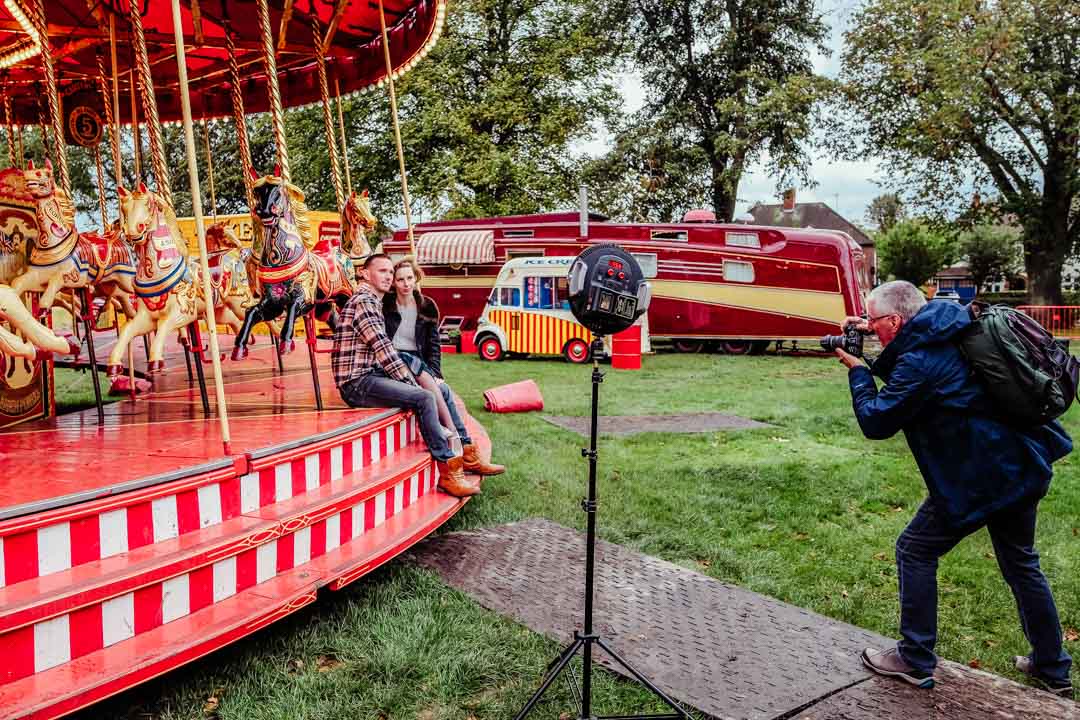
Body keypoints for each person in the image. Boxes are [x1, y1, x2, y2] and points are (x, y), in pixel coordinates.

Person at [835, 280, 1072, 697]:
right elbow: (915, 371)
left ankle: (914, 658)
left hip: (979, 478)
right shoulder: (949, 326)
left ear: (895, 319)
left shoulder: (920, 360)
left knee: (915, 548)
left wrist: (858, 372)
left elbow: (877, 421)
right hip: (1019, 465)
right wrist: (874, 339)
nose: (871, 328)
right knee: (1021, 564)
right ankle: (1052, 670)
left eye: (875, 321)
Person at [331, 253, 481, 497]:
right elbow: (384, 350)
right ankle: (448, 470)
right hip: (357, 382)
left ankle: (467, 449)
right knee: (424, 397)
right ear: (365, 274)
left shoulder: (375, 301)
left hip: (371, 373)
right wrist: (414, 385)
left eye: (390, 272)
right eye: (383, 271)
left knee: (439, 390)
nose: (388, 276)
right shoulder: (365, 302)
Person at [383, 257, 504, 477]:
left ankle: (467, 451)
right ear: (394, 282)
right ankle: (464, 452)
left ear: (416, 277)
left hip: (417, 359)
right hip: (394, 360)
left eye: (410, 278)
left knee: (443, 389)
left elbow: (434, 344)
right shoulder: (385, 305)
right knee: (438, 393)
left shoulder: (427, 305)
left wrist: (436, 374)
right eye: (400, 279)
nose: (406, 283)